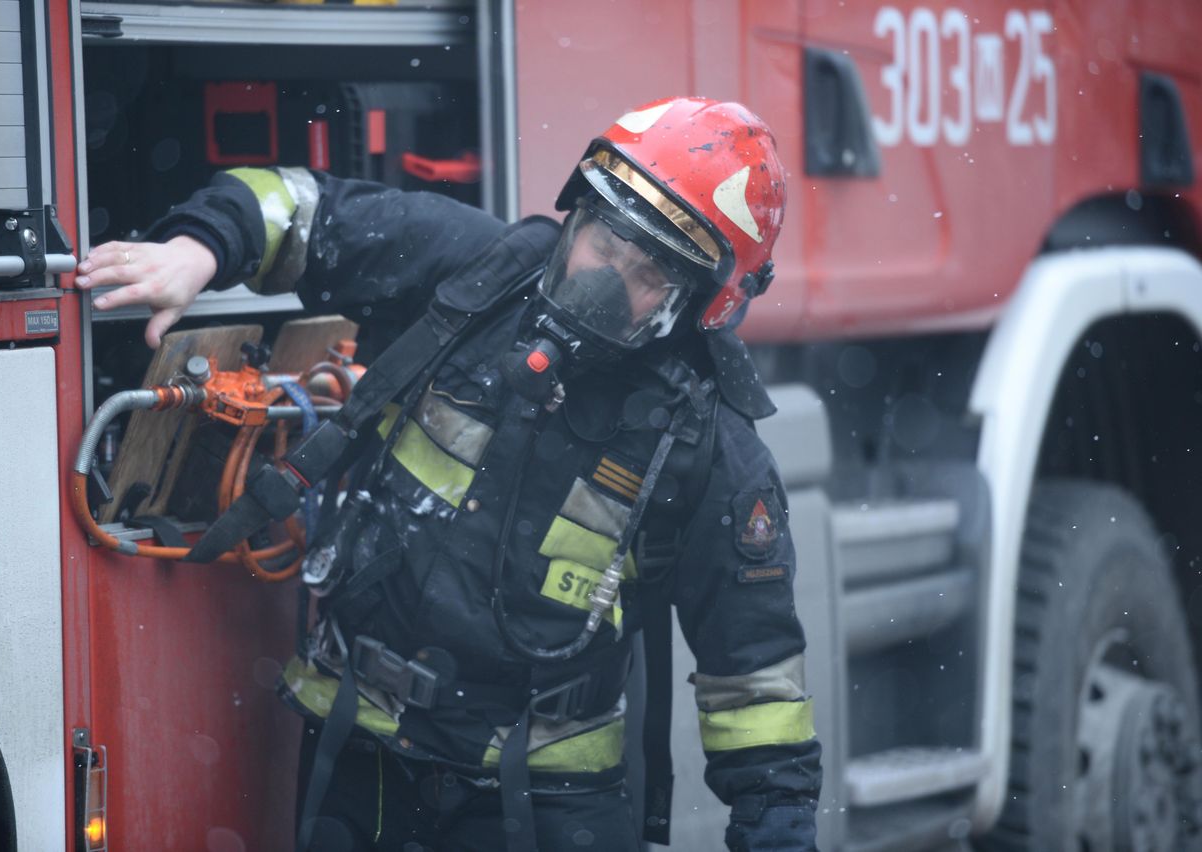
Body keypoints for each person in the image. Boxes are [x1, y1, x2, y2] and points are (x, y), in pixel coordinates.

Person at [77, 96, 821, 852]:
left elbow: (755, 685)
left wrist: (779, 835)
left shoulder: (708, 448)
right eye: (605, 241)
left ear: (699, 307)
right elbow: (307, 209)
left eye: (649, 271)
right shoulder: (481, 276)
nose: (606, 278)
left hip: (546, 802)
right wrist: (198, 250)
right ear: (577, 217)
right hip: (360, 756)